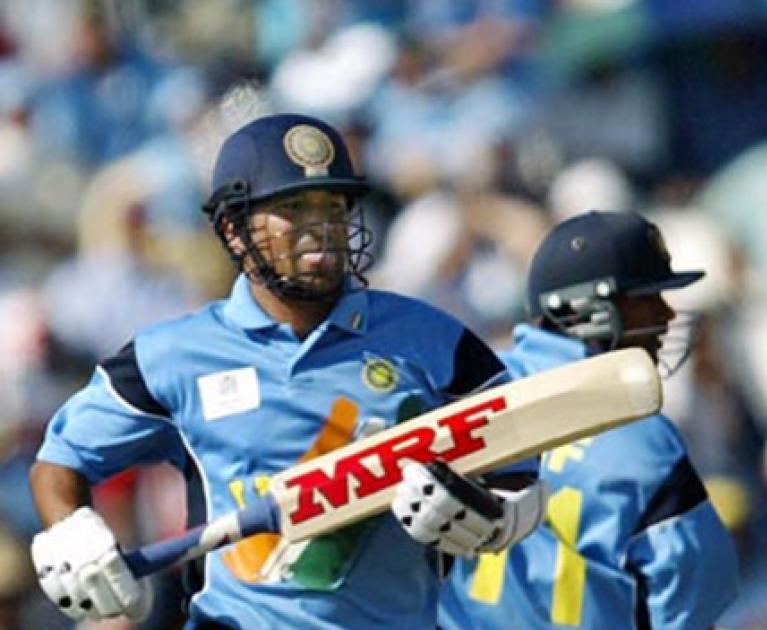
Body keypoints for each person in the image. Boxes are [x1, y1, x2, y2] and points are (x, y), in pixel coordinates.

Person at [27, 113, 547, 628]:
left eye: (332, 207)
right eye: (293, 209)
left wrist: (494, 514)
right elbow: (60, 462)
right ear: (233, 231)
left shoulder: (433, 340)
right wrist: (73, 534)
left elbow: (522, 463)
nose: (321, 229)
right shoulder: (172, 356)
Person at [438, 211, 740, 629]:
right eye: (646, 298)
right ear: (588, 309)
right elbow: (693, 591)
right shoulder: (637, 434)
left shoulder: (463, 397)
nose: (667, 315)